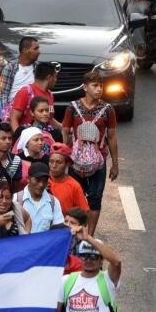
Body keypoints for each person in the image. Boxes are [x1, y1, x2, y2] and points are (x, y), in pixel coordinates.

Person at [61, 71, 118, 236]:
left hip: (98, 162)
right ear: (85, 87)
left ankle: (89, 236)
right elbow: (65, 132)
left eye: (101, 86)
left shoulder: (108, 110)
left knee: (95, 199)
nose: (99, 89)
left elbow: (112, 137)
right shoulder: (72, 108)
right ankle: (73, 232)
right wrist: (64, 157)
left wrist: (115, 164)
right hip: (75, 161)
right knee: (74, 198)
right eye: (95, 85)